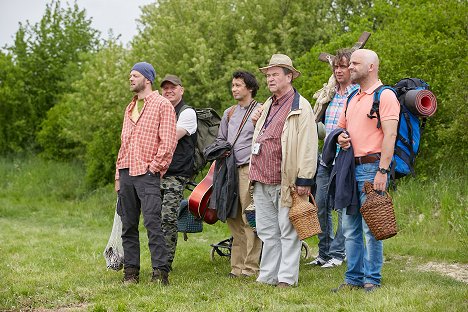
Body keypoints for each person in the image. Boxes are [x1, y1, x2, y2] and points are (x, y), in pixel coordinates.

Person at [333, 49, 399, 292]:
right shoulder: (352, 97)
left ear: (371, 67)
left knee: (371, 229)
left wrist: (383, 170)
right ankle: (353, 279)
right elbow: (342, 130)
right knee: (350, 229)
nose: (349, 67)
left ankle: (372, 279)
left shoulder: (386, 95)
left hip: (373, 169)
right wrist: (341, 138)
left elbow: (390, 135)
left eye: (355, 63)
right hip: (350, 169)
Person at [249, 54, 318, 287]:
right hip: (261, 178)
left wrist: (305, 178)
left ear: (289, 76)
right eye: (268, 75)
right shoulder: (268, 104)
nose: (269, 79)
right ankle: (268, 275)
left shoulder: (302, 106)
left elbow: (309, 145)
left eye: (275, 74)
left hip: (286, 179)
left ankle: (287, 278)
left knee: (288, 231)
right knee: (268, 232)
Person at [115, 62, 177, 285]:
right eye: (130, 75)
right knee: (128, 225)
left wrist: (154, 168)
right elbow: (124, 143)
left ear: (147, 79)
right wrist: (117, 175)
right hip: (126, 172)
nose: (130, 79)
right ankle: (130, 274)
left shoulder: (162, 105)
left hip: (147, 174)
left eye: (135, 75)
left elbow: (168, 142)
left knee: (153, 224)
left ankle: (160, 273)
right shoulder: (129, 107)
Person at [308, 49, 358, 268]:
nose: (338, 70)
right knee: (320, 204)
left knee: (342, 206)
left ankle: (339, 253)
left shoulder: (358, 93)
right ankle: (324, 253)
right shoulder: (329, 93)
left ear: (352, 68)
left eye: (343, 66)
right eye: (336, 67)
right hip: (327, 156)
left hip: (346, 156)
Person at [215, 71, 262, 278]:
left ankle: (251, 268)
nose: (234, 89)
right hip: (229, 171)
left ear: (249, 88)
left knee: (249, 218)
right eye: (233, 85)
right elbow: (220, 140)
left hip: (249, 169)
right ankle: (236, 267)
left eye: (238, 85)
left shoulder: (261, 110)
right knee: (233, 217)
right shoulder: (229, 113)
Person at [160, 74, 197, 271]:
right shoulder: (158, 111)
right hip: (156, 172)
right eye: (165, 88)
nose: (169, 91)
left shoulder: (187, 112)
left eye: (173, 87)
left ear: (181, 89)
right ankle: (158, 260)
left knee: (167, 218)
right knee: (154, 219)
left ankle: (164, 265)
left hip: (176, 174)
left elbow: (170, 138)